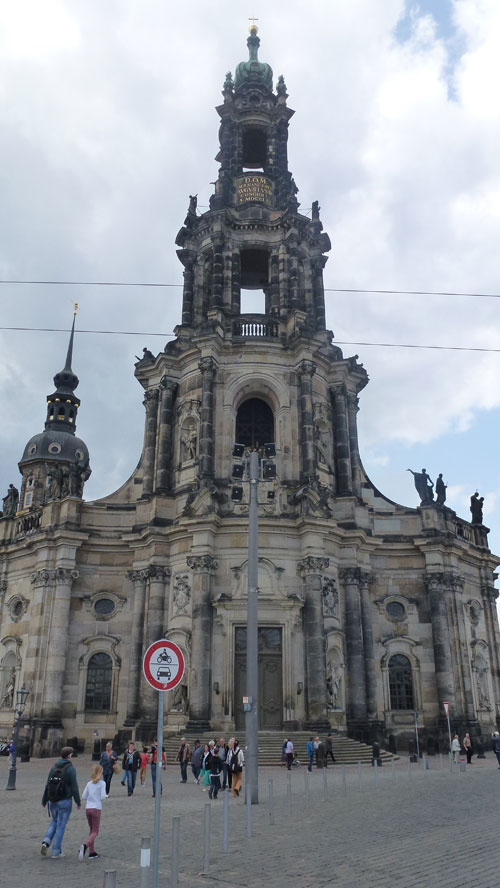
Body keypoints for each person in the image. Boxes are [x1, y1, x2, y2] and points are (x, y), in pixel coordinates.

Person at [41, 745, 81, 858]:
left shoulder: (54, 767)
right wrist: (78, 802)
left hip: (52, 800)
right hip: (64, 801)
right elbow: (74, 787)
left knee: (54, 820)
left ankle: (46, 841)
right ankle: (56, 851)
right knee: (61, 825)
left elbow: (48, 784)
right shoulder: (70, 769)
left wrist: (44, 800)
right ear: (69, 756)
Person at [79, 764, 106, 861]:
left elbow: (83, 796)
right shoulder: (102, 783)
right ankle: (85, 845)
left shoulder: (89, 783)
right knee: (95, 831)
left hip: (88, 808)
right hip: (96, 808)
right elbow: (103, 796)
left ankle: (92, 852)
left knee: (91, 830)